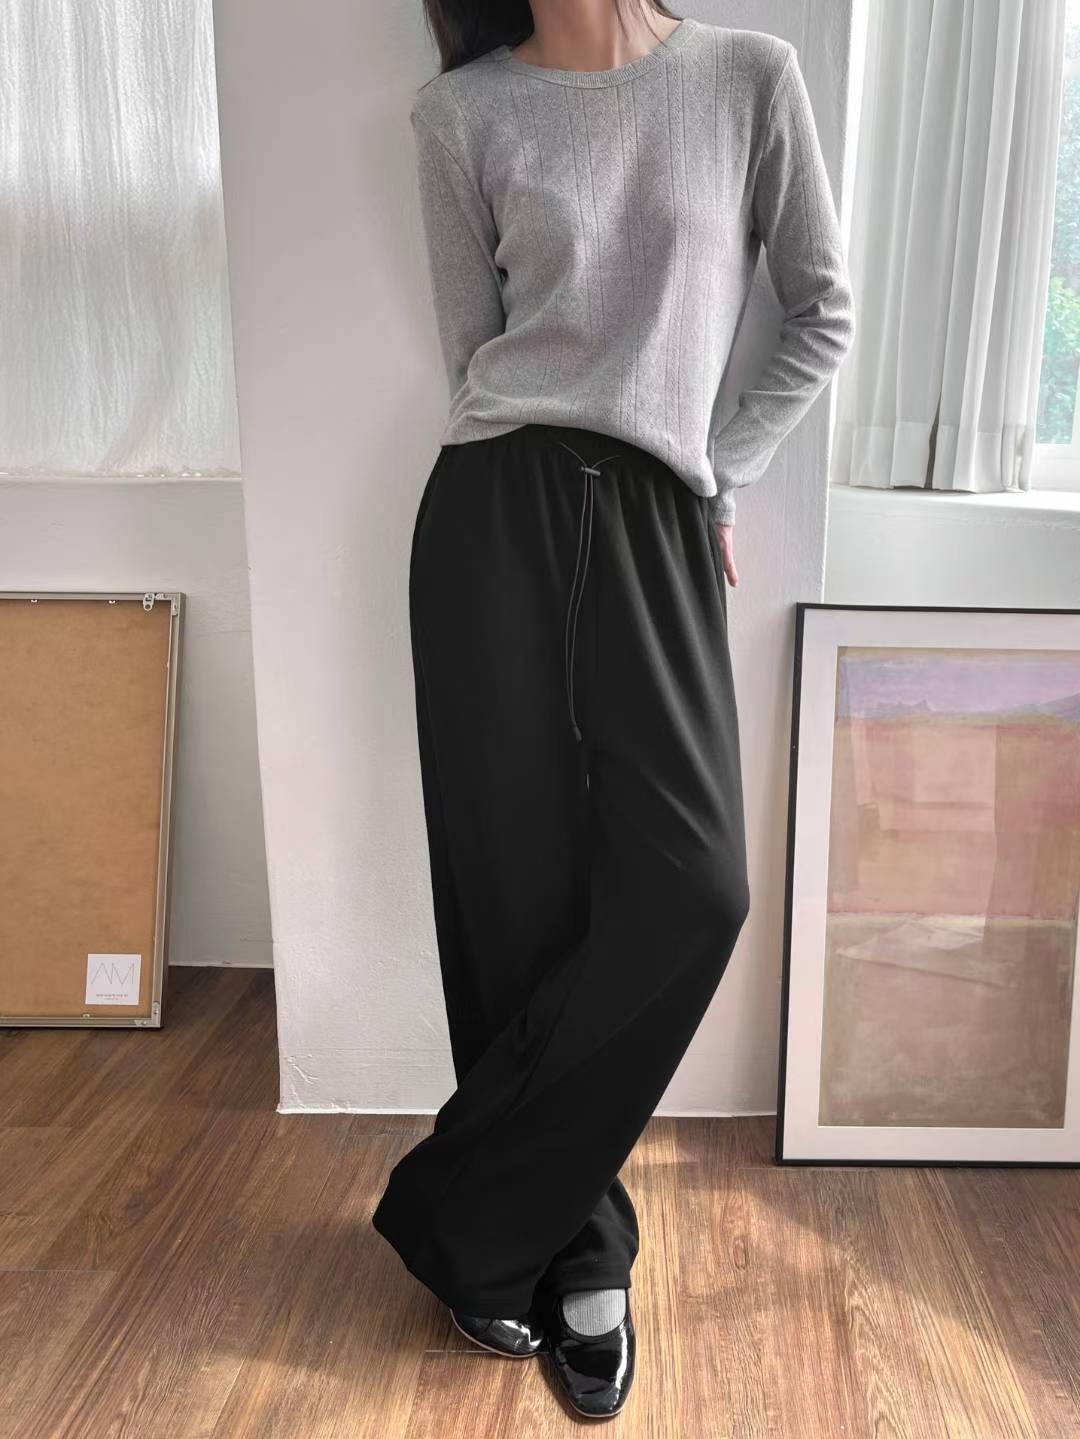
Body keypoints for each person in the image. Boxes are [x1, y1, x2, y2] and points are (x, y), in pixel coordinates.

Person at [373, 0, 854, 1420]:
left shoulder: (747, 78)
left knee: (695, 887)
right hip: (495, 513)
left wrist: (721, 470)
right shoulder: (462, 113)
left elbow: (821, 311)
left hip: (657, 510)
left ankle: (458, 1209)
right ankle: (576, 1247)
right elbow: (474, 354)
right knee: (512, 899)